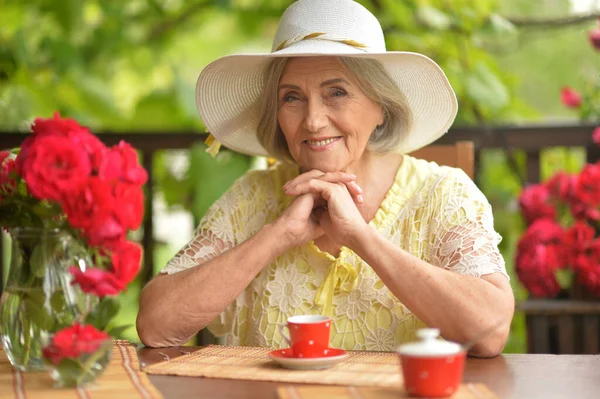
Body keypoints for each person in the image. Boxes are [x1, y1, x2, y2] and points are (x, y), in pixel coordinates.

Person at [136, 0, 514, 357]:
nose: (313, 120)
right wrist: (278, 235)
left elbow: (491, 330)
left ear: (381, 107)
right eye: (292, 98)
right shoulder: (252, 197)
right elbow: (155, 326)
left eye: (337, 92)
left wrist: (361, 238)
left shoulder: (442, 193)